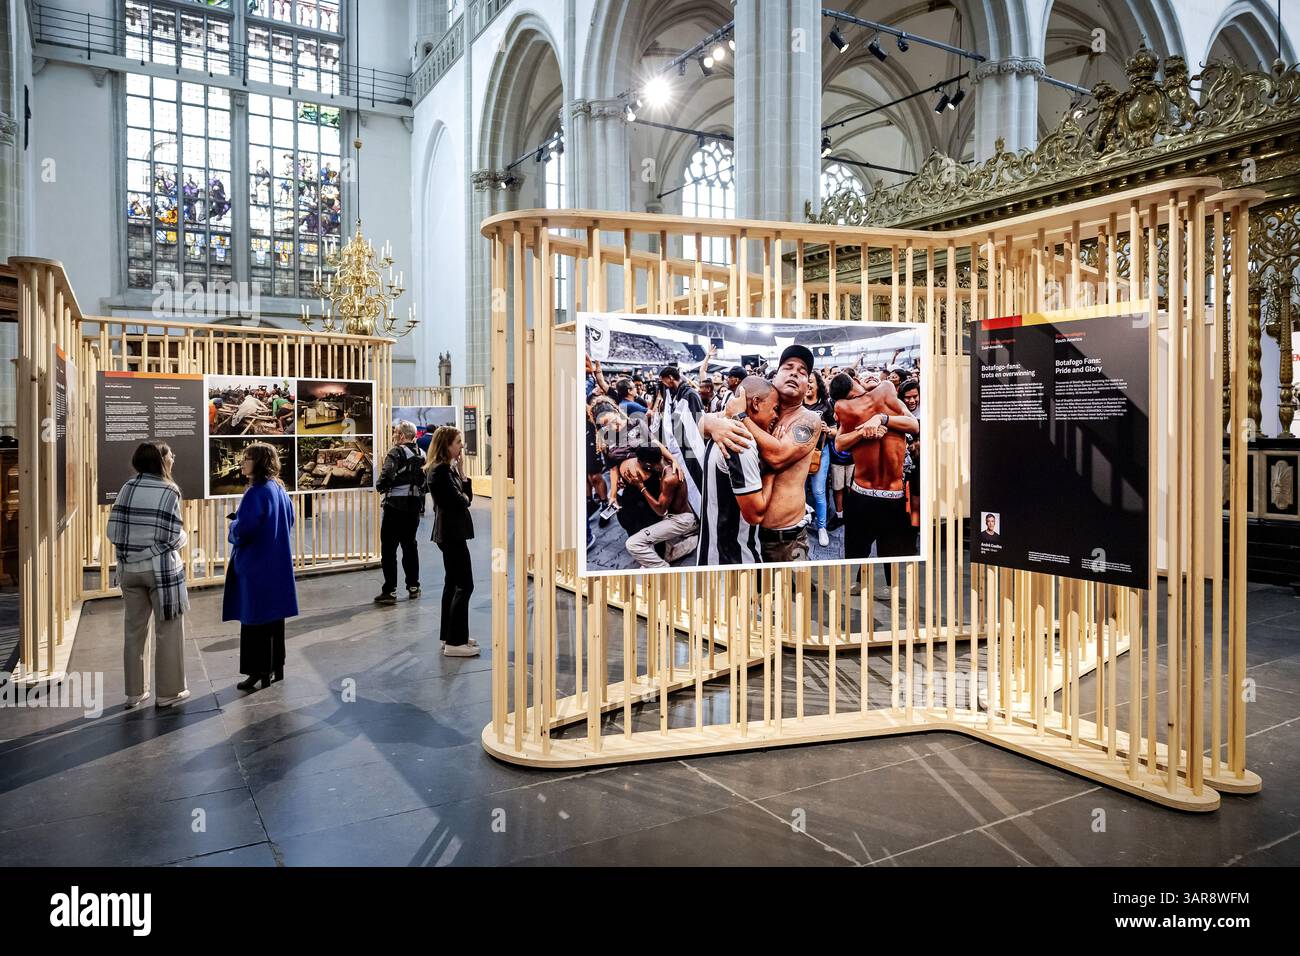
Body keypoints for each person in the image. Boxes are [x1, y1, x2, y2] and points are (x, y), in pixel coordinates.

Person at [700, 346, 822, 564]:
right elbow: (703, 423)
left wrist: (741, 416)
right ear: (775, 377)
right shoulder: (759, 411)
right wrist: (711, 423)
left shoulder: (809, 419)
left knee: (794, 591)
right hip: (748, 538)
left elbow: (778, 456)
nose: (795, 372)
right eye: (788, 367)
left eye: (803, 371)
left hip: (787, 540)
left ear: (808, 385)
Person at [106, 442, 191, 708]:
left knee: (133, 631)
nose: (173, 459)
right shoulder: (169, 490)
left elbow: (113, 532)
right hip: (160, 572)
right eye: (170, 455)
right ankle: (168, 693)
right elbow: (172, 536)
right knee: (168, 630)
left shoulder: (127, 488)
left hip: (129, 570)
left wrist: (134, 553)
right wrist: (184, 538)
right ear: (160, 460)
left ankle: (135, 692)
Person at [223, 441, 299, 692]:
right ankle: (277, 667)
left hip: (255, 566)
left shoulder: (255, 493)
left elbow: (243, 530)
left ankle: (258, 671)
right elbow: (289, 520)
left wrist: (233, 526)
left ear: (259, 462)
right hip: (276, 564)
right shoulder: (278, 489)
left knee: (254, 621)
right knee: (274, 620)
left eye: (247, 458)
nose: (243, 462)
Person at [833, 372, 919, 564]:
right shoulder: (849, 411)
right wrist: (863, 431)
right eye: (864, 376)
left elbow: (914, 425)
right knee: (855, 552)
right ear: (856, 386)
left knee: (891, 554)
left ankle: (890, 589)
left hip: (893, 495)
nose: (870, 376)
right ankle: (856, 586)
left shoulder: (892, 399)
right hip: (861, 493)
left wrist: (881, 418)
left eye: (873, 375)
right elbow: (839, 443)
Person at [696, 376, 780, 565]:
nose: (776, 416)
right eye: (775, 409)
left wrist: (707, 422)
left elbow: (698, 423)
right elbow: (755, 515)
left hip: (712, 553)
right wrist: (772, 473)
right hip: (736, 560)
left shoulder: (722, 425)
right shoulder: (740, 440)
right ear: (756, 403)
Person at [425, 425, 479, 657]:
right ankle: (455, 643)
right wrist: (464, 494)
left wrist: (463, 474)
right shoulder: (440, 472)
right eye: (457, 442)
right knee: (464, 585)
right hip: (451, 534)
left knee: (452, 584)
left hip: (452, 533)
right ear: (446, 445)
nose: (461, 447)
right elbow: (461, 501)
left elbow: (467, 497)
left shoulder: (447, 469)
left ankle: (450, 635)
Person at [374, 421, 427, 604]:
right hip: (413, 508)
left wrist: (380, 487)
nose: (394, 436)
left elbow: (386, 475)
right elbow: (426, 482)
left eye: (396, 433)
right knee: (410, 546)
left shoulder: (395, 452)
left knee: (389, 550)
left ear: (402, 436)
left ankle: (390, 591)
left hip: (394, 508)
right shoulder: (422, 454)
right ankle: (414, 586)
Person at [623, 445, 699, 569]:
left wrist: (641, 487)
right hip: (671, 516)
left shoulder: (669, 478)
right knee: (665, 554)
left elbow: (660, 510)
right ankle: (695, 541)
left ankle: (662, 569)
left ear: (647, 464)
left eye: (638, 462)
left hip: (680, 520)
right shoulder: (662, 464)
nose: (637, 464)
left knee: (633, 544)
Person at [804, 372, 833, 547]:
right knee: (798, 490)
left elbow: (837, 431)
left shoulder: (826, 406)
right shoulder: (795, 405)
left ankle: (821, 527)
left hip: (820, 452)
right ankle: (803, 524)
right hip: (799, 454)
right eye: (805, 382)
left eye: (811, 382)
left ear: (817, 385)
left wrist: (827, 429)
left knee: (819, 491)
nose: (807, 385)